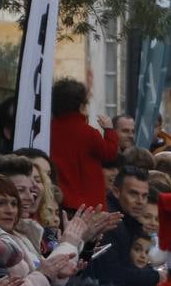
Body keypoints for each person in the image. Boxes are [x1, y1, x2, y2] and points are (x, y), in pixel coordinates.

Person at [49, 79, 121, 213]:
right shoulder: (88, 133)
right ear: (81, 106)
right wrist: (109, 131)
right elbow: (109, 153)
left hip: (58, 200)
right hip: (87, 204)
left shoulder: (48, 130)